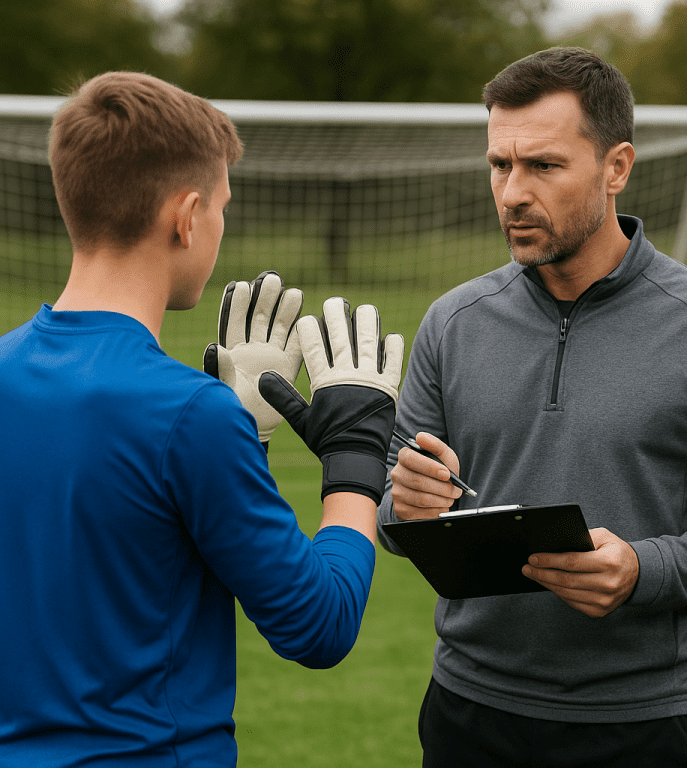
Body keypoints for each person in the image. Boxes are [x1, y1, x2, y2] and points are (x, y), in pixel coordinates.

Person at [377, 46, 687, 767]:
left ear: (617, 167)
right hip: (468, 712)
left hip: (643, 725)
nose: (512, 193)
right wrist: (405, 504)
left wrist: (645, 570)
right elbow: (397, 522)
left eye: (544, 166)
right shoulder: (452, 321)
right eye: (501, 165)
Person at [0, 72, 403, 767]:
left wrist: (239, 443)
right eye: (221, 206)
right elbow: (320, 624)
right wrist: (356, 459)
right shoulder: (189, 415)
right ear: (186, 217)